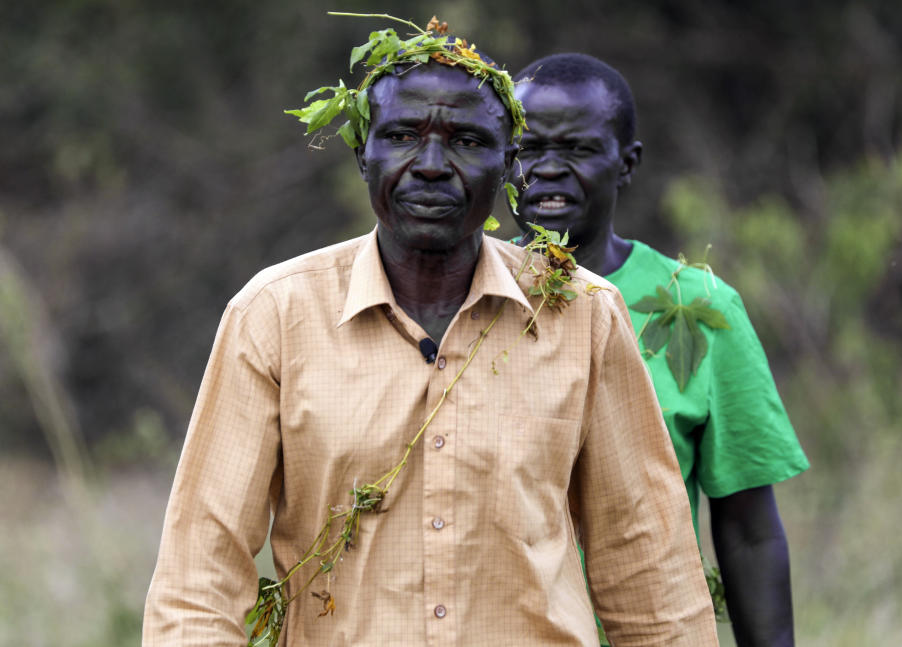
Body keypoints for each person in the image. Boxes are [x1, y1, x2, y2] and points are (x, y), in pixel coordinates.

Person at [142, 25, 718, 646]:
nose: (433, 166)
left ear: (509, 163)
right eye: (401, 136)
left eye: (468, 141)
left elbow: (647, 568)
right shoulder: (275, 315)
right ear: (364, 152)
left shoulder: (581, 314)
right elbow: (201, 573)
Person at [509, 53, 810, 647]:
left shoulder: (698, 308)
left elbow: (748, 528)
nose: (547, 170)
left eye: (577, 150)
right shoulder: (466, 298)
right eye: (527, 149)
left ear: (627, 164)